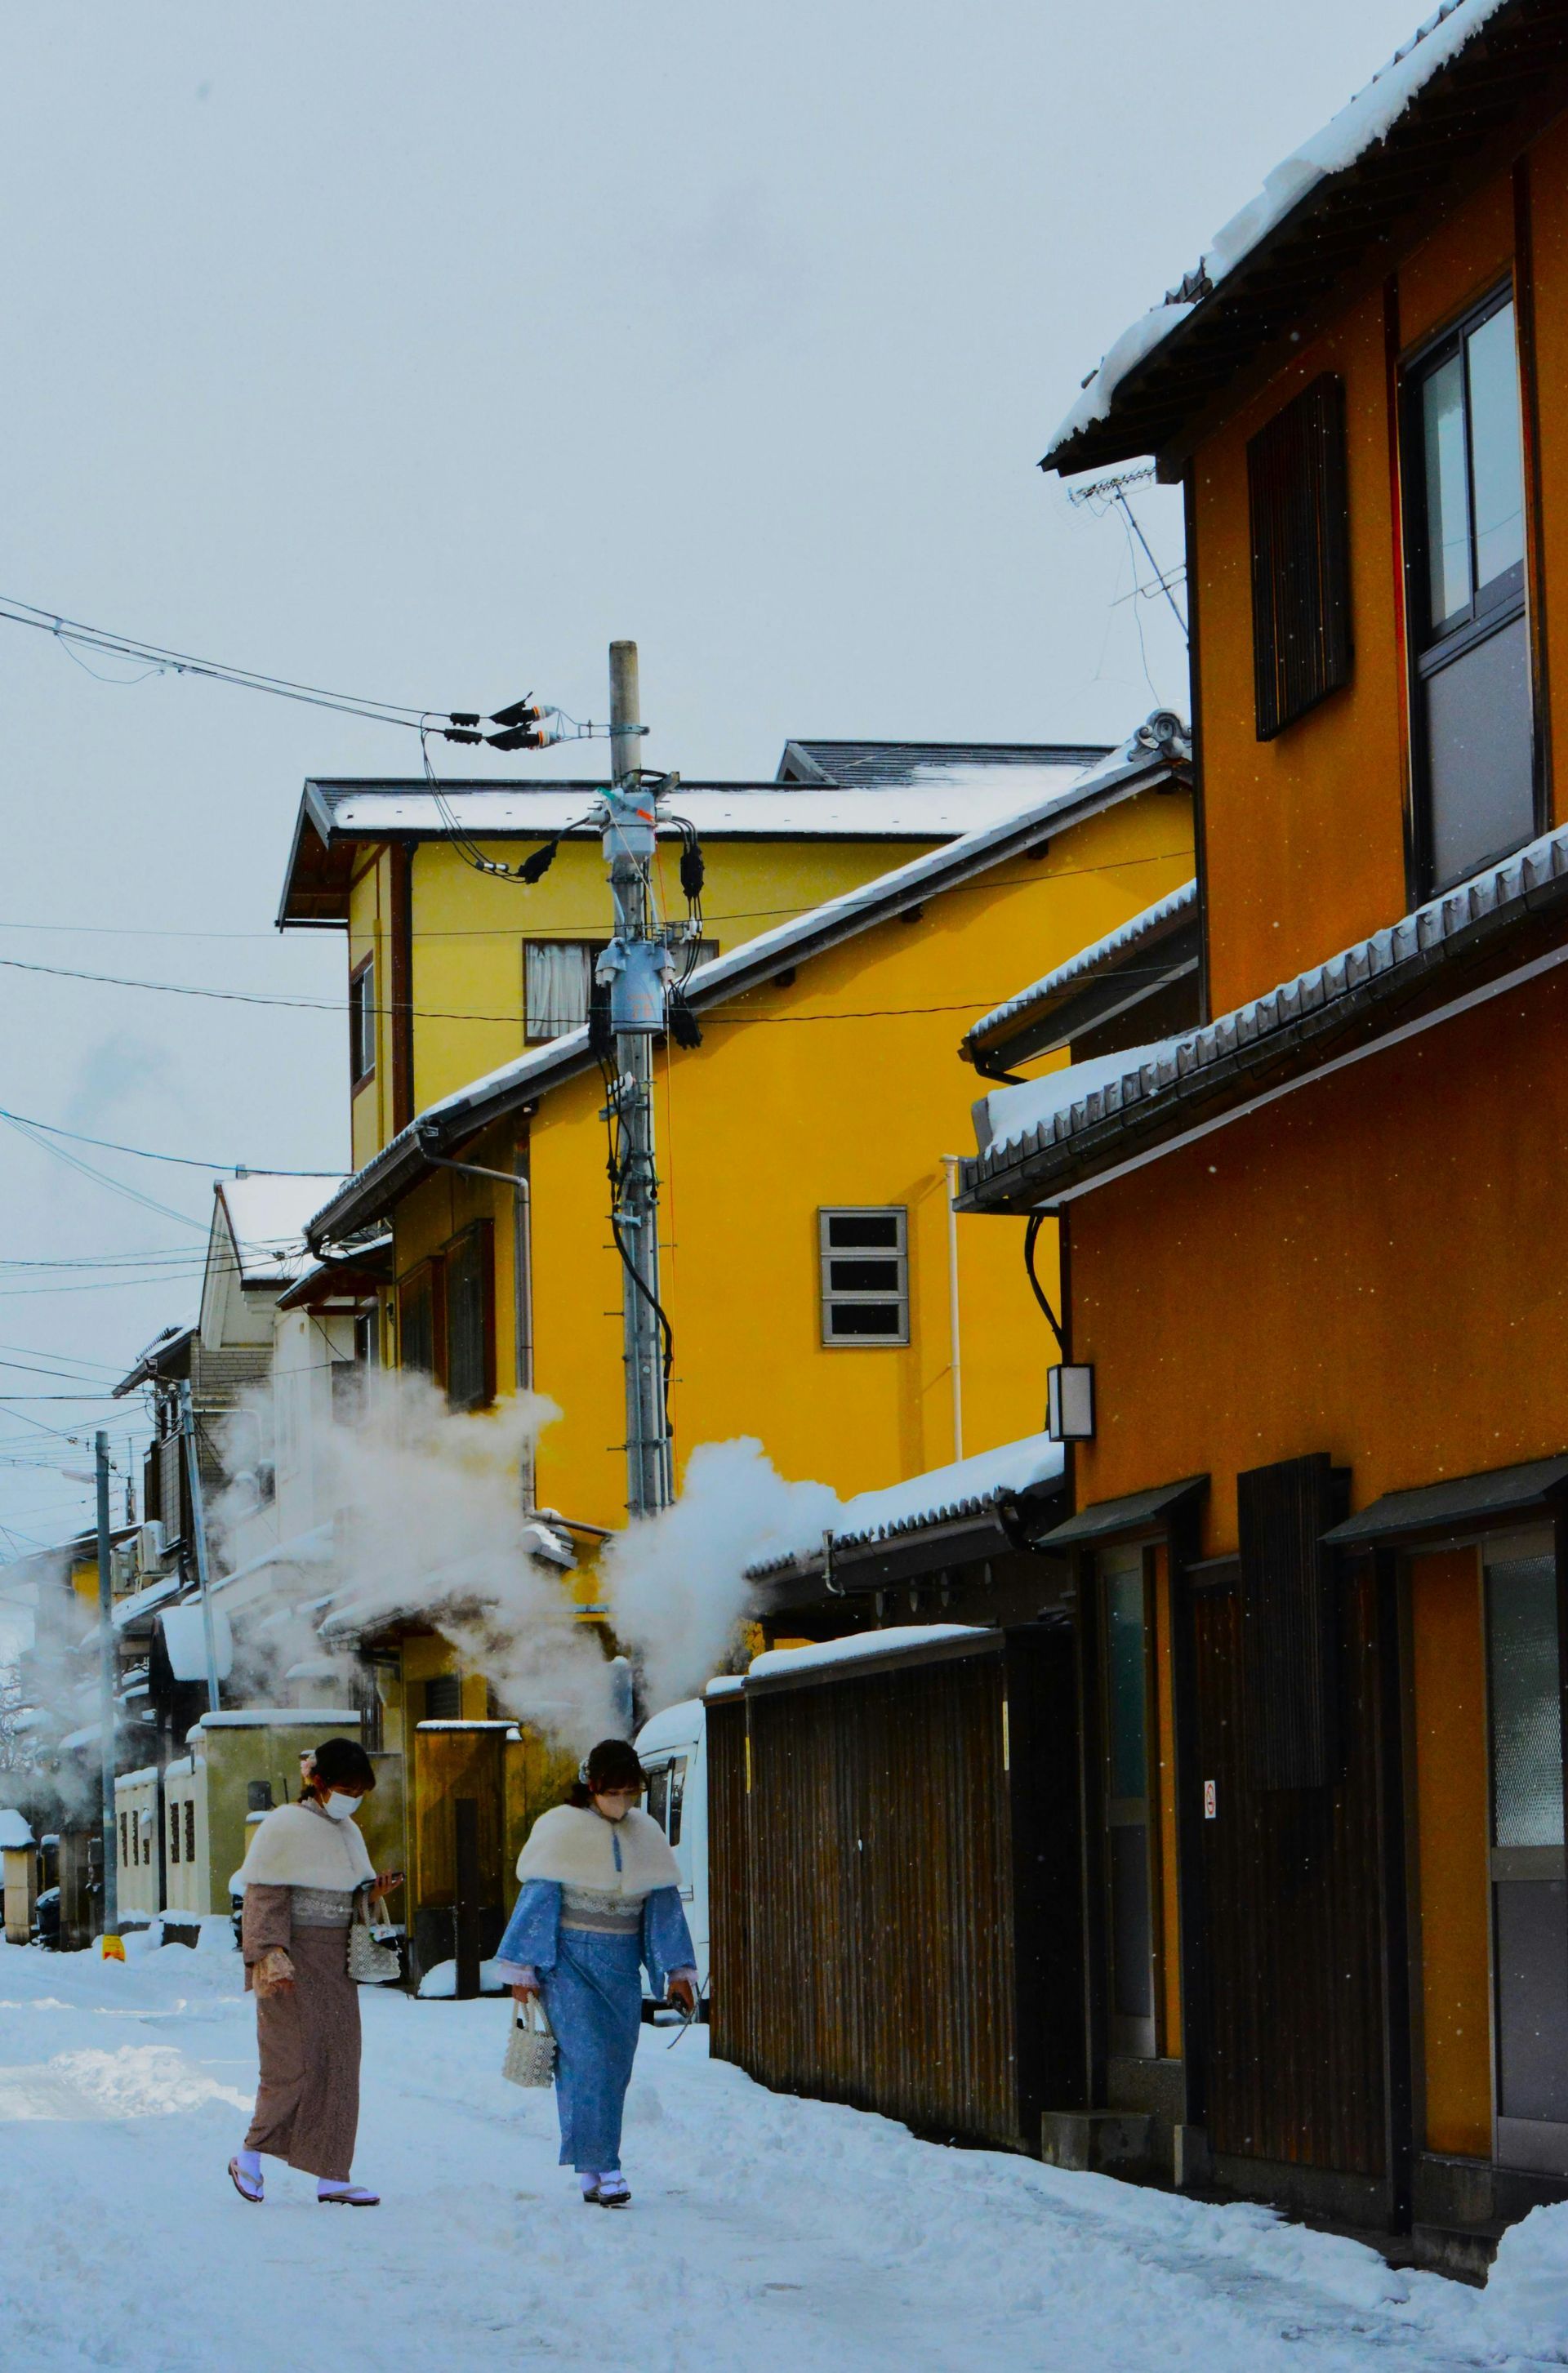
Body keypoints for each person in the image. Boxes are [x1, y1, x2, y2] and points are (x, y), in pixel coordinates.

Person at [495, 1738, 697, 2208]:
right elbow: (537, 1903)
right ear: (591, 1785)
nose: (623, 1802)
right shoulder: (559, 1828)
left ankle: (591, 2164)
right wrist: (523, 1974)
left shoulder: (645, 1832)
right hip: (569, 1964)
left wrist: (677, 1971)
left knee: (613, 2064)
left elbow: (663, 1909)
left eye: (631, 1792)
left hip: (621, 1966)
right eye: (615, 1791)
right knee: (587, 2062)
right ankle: (604, 2166)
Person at [227, 1736, 403, 2206]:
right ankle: (249, 2156)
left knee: (340, 2064)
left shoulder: (347, 1828)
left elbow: (347, 1899)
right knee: (291, 2066)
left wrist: (374, 1895)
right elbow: (263, 1897)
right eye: (347, 1787)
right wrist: (270, 1956)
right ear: (319, 1782)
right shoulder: (284, 1824)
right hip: (291, 1960)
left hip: (335, 1963)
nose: (354, 1797)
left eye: (361, 1790)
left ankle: (332, 2173)